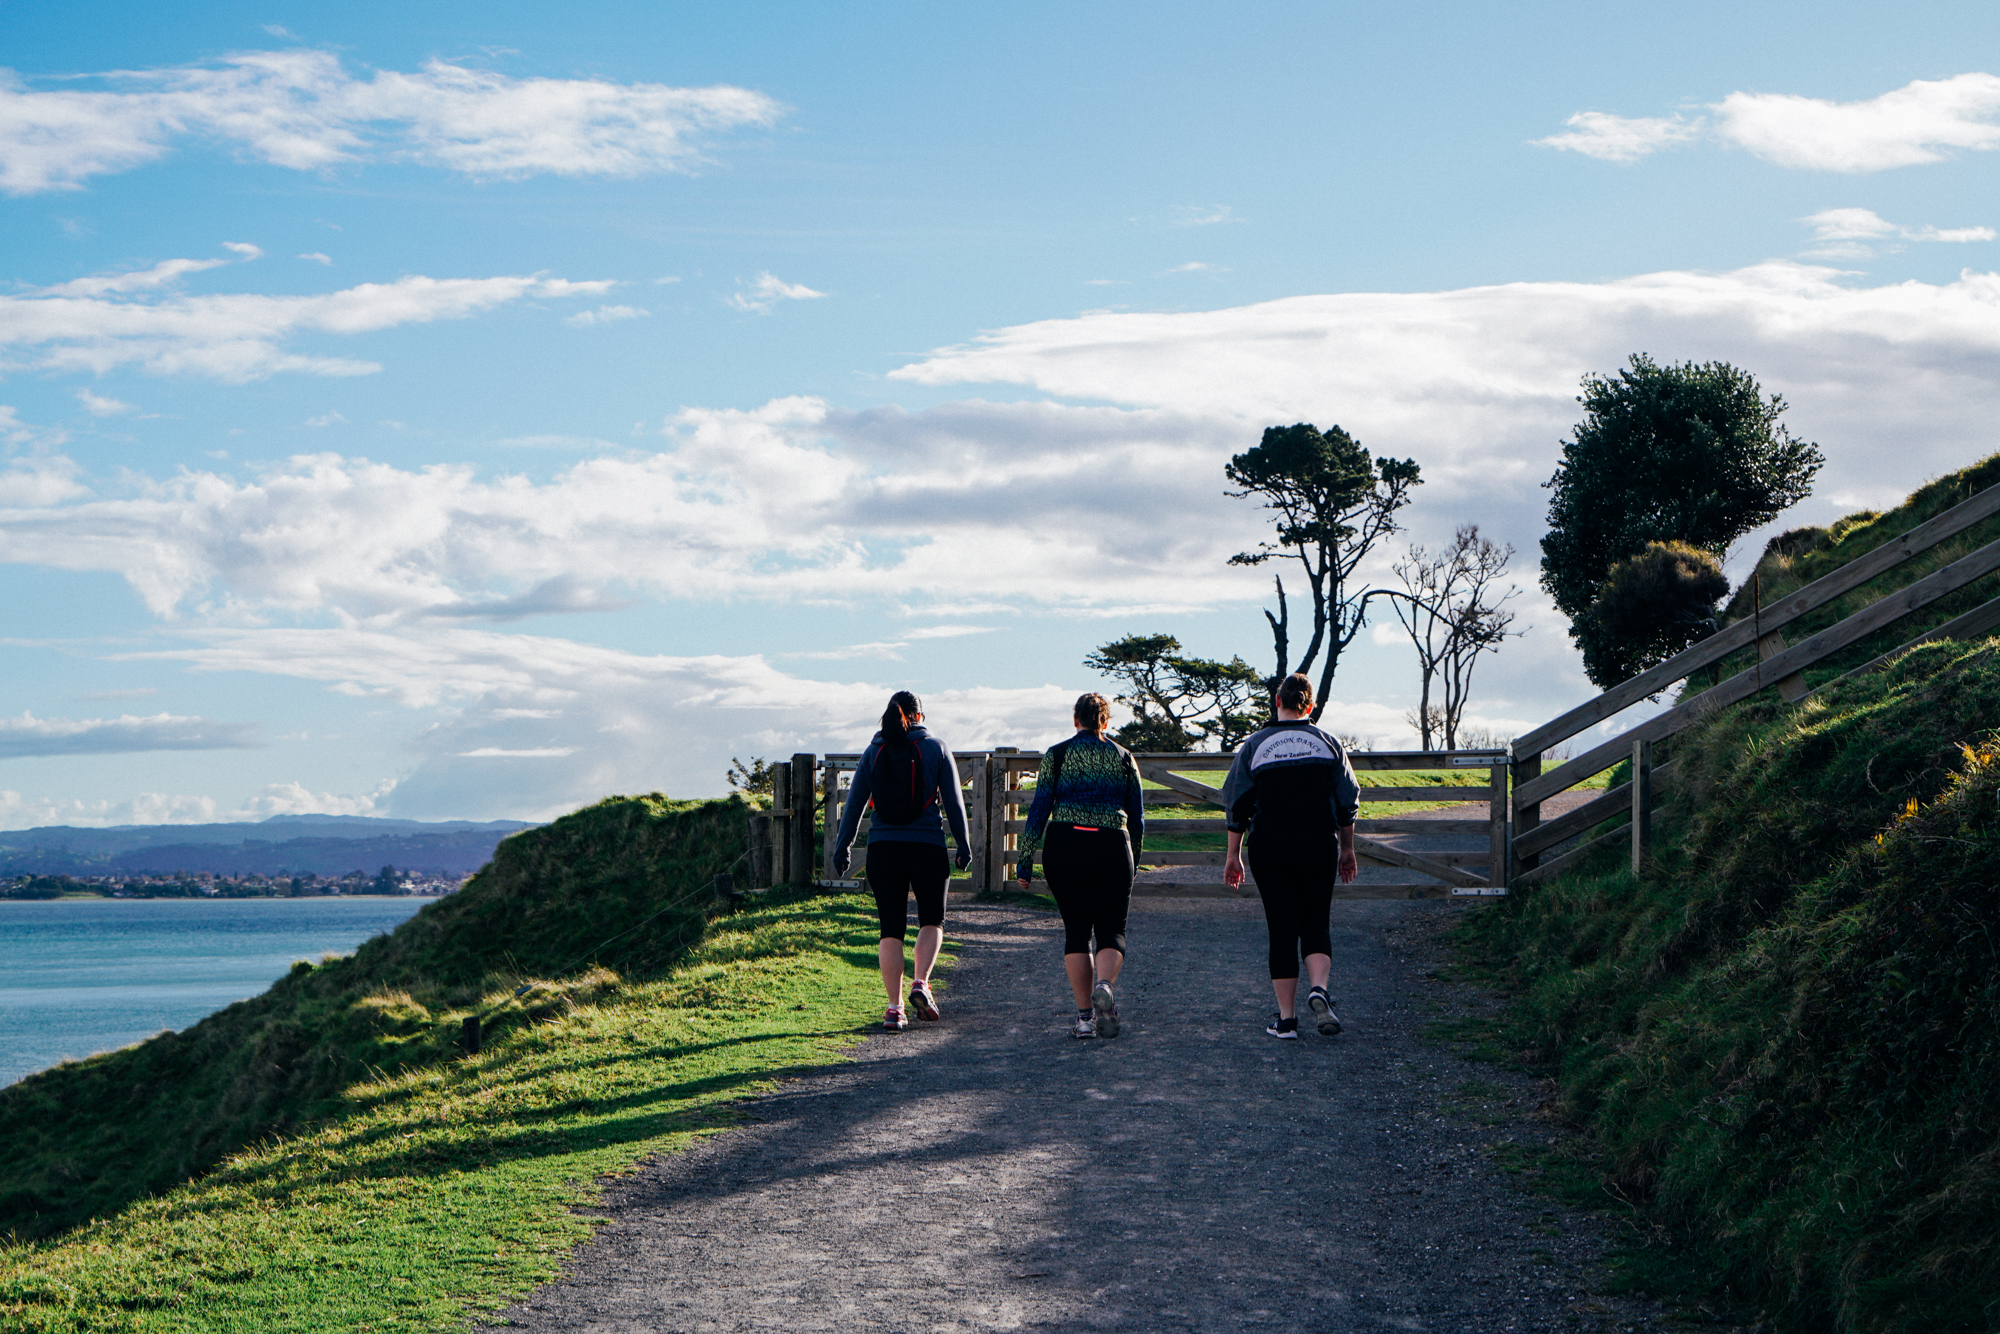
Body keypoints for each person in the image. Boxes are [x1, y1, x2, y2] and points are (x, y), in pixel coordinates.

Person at [1219, 672, 1360, 1039]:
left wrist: (1233, 855)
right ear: (1309, 706)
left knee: (1281, 928)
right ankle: (1319, 990)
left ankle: (1286, 1021)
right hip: (1318, 842)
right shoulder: (1328, 743)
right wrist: (1347, 849)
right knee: (1316, 921)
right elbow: (1348, 801)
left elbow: (1236, 803)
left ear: (1277, 701)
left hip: (1270, 845)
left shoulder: (1256, 745)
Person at [832, 691, 973, 1031]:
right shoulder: (936, 749)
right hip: (927, 846)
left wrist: (843, 847)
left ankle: (894, 1009)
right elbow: (954, 803)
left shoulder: (873, 752)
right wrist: (963, 845)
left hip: (883, 849)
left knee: (890, 929)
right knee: (932, 920)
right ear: (919, 716)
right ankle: (920, 982)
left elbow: (854, 805)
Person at [1016, 692, 1146, 1039]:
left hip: (1065, 845)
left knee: (1076, 932)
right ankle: (1105, 985)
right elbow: (1137, 816)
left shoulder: (1057, 755)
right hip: (1111, 846)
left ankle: (1085, 1019)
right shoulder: (1123, 756)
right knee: (1111, 931)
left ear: (1076, 720)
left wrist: (1024, 861)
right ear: (1105, 721)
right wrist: (1134, 860)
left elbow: (1039, 809)